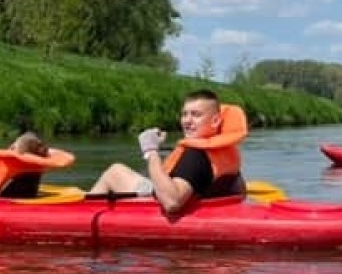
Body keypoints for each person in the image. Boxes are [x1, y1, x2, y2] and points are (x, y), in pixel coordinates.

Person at [88, 89, 247, 214]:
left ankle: (84, 215)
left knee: (114, 172)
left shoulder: (196, 154)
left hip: (159, 201)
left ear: (216, 120)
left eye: (196, 115)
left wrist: (151, 151)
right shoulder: (225, 148)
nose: (187, 121)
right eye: (184, 114)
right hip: (210, 202)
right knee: (117, 170)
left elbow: (172, 202)